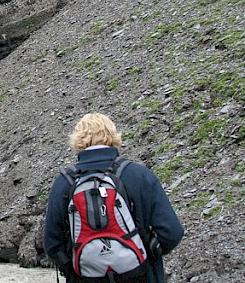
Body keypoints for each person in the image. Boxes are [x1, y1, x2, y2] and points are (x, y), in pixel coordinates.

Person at [44, 113, 185, 283]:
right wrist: (147, 255)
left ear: (78, 139)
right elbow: (172, 232)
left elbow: (52, 244)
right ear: (113, 136)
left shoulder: (64, 182)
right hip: (140, 276)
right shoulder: (139, 175)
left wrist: (74, 270)